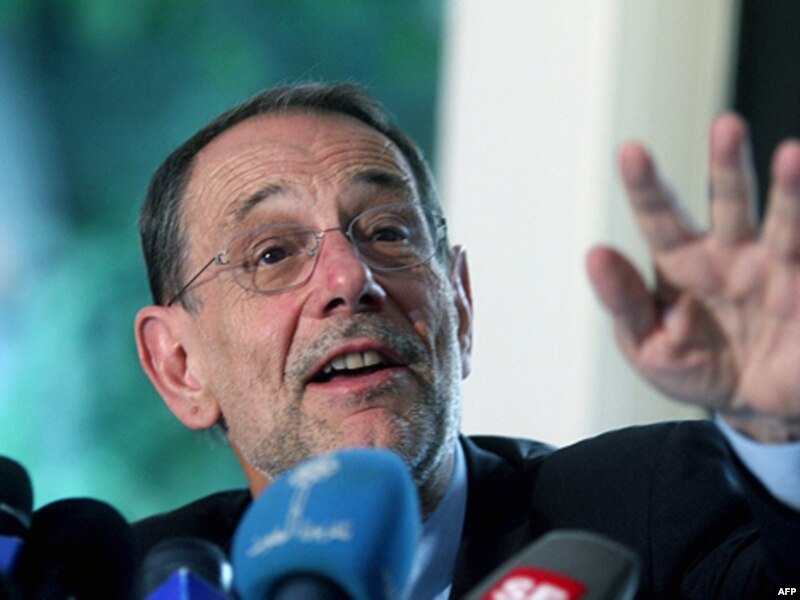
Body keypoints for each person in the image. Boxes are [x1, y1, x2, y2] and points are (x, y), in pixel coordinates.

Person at [132, 82, 800, 598]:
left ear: (461, 304)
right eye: (273, 253)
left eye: (389, 233)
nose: (350, 277)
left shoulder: (642, 509)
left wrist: (781, 432)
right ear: (180, 366)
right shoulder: (131, 578)